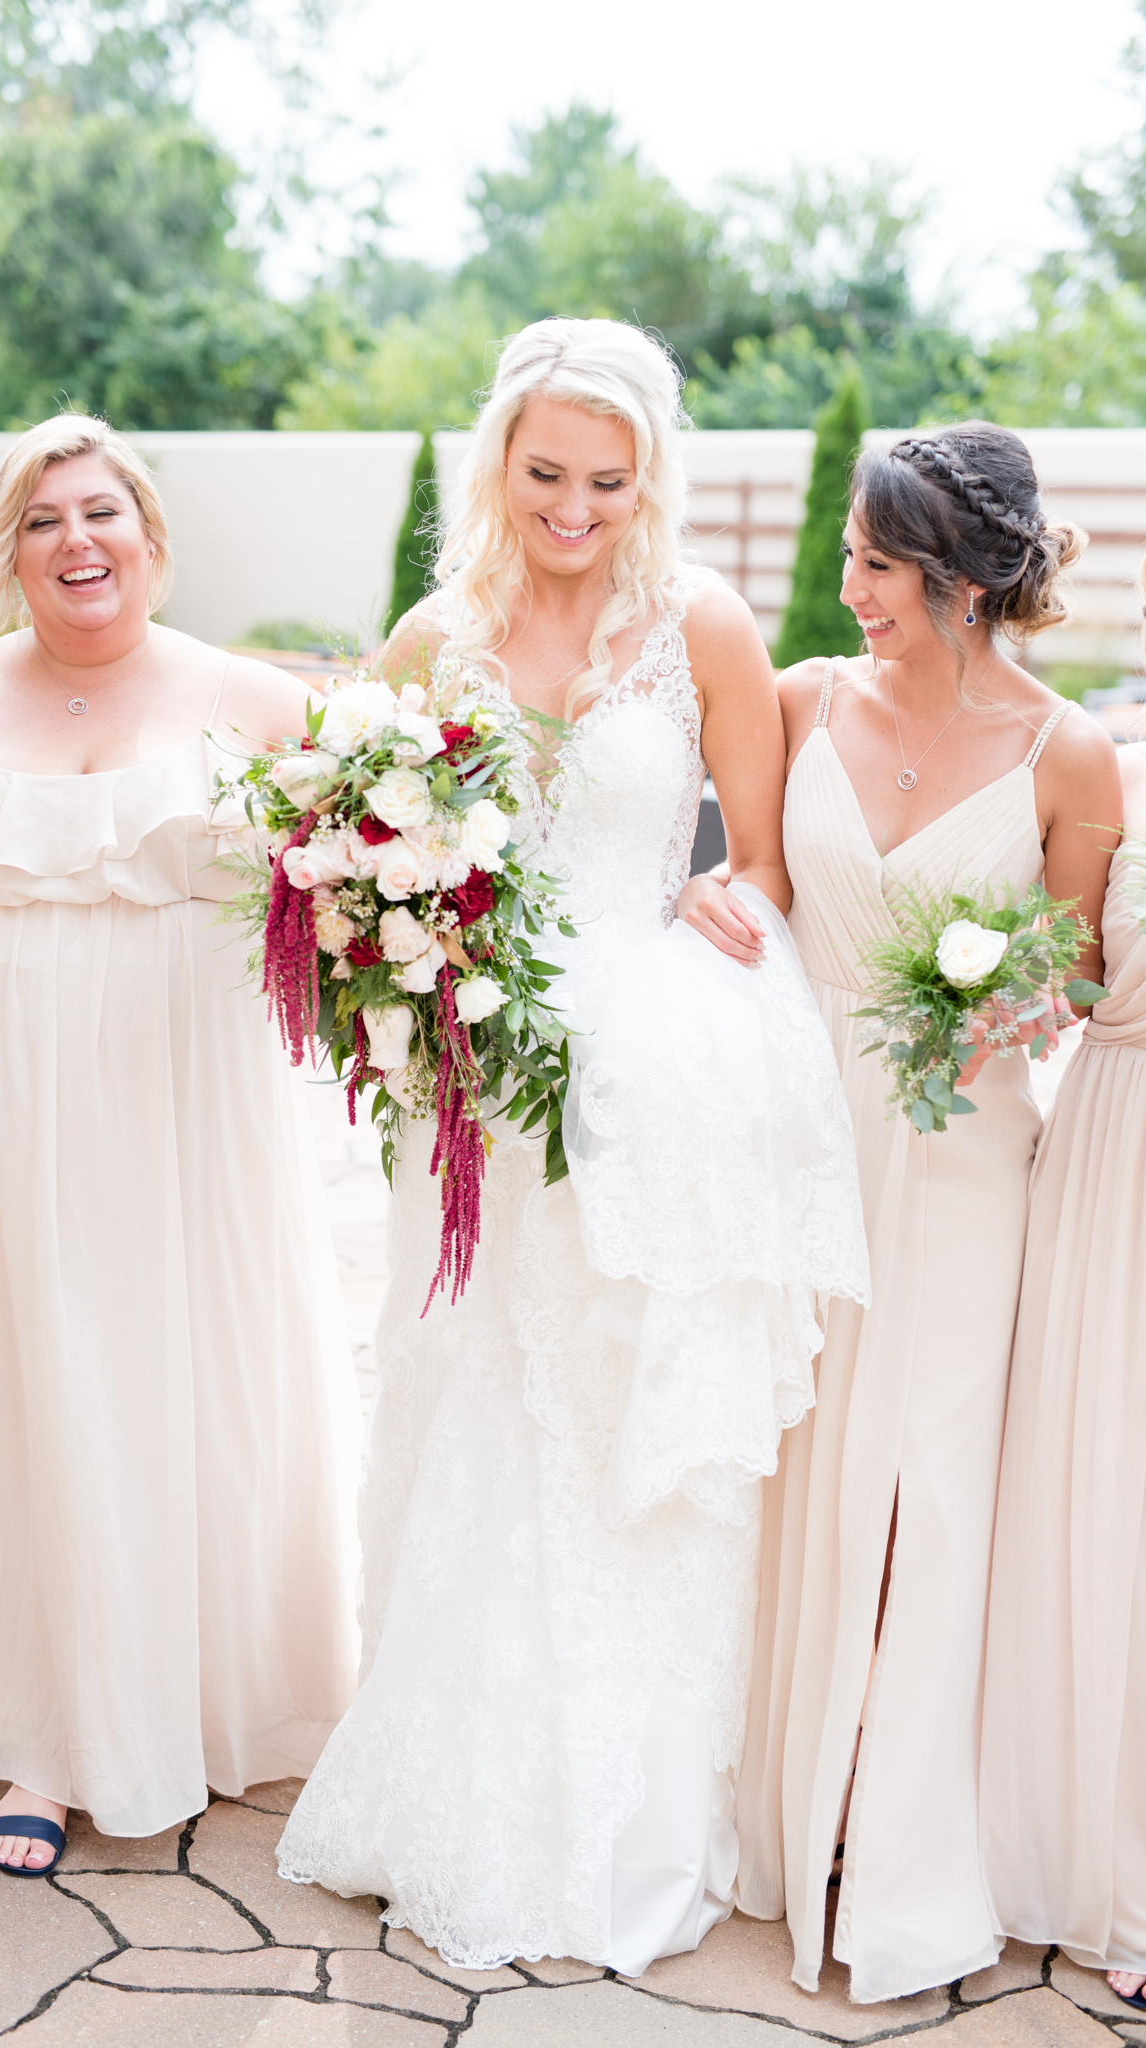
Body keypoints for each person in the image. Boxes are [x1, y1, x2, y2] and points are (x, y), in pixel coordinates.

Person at [275, 318, 870, 1974]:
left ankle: (623, 1808)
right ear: (499, 465)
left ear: (649, 479)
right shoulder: (431, 636)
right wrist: (401, 958)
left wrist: (711, 893)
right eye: (546, 474)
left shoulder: (704, 626)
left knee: (616, 1430)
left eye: (610, 481)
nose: (576, 507)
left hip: (646, 1088)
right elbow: (340, 850)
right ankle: (452, 1788)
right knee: (476, 1408)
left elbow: (765, 867)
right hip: (479, 1094)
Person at [0, 415, 361, 1875]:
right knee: (21, 1381)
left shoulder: (254, 699)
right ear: (12, 554)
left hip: (176, 1101)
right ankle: (47, 1732)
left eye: (104, 513)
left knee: (159, 1378)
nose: (79, 542)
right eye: (44, 520)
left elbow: (392, 850)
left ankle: (176, 1694)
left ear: (150, 535)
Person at [685, 423, 1121, 2001]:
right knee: (797, 1464)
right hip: (801, 1140)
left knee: (929, 1491)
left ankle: (902, 1821)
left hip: (963, 1162)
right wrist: (702, 898)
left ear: (950, 579)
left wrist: (1020, 997)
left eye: (873, 565)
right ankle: (787, 1799)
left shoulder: (1068, 751)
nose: (847, 587)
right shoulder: (803, 698)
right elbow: (749, 880)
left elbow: (1076, 963)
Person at [980, 509, 1146, 2014]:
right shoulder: (1123, 773)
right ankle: (1116, 1858)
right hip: (1116, 1152)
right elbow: (1063, 972)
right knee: (1101, 1498)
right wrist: (984, 986)